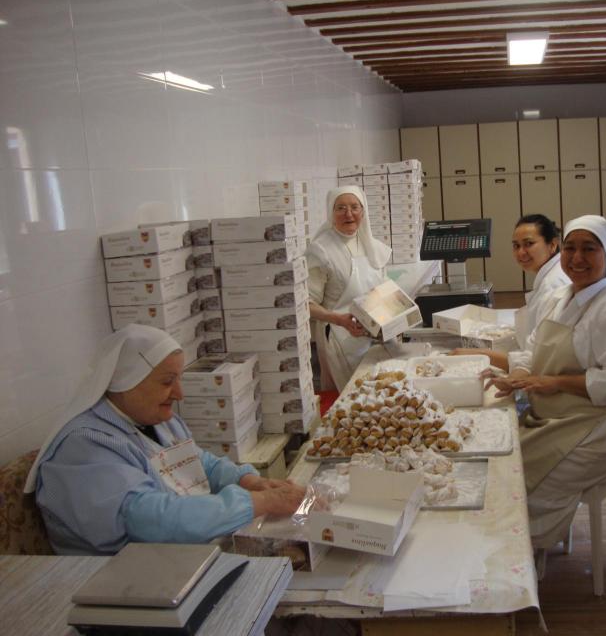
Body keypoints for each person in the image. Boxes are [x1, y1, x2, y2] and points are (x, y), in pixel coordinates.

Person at [24, 325, 306, 555]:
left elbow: (197, 463)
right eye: (166, 381)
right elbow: (149, 519)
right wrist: (259, 502)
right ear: (126, 381)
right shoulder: (84, 446)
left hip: (183, 556)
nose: (179, 393)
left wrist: (247, 480)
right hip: (125, 582)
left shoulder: (157, 420)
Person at [486, 215, 606, 549]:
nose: (577, 258)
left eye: (589, 249)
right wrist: (514, 378)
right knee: (504, 466)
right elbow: (534, 349)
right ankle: (511, 549)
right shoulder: (564, 299)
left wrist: (557, 383)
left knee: (521, 486)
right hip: (558, 416)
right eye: (571, 249)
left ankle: (515, 557)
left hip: (596, 429)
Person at [449, 214, 570, 370]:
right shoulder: (550, 275)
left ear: (552, 245)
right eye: (516, 246)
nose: (521, 252)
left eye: (529, 244)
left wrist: (479, 354)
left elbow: (538, 361)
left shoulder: (554, 285)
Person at [306, 186, 391, 391]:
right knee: (349, 402)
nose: (349, 214)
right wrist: (339, 320)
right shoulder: (321, 250)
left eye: (355, 207)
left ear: (363, 211)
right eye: (341, 208)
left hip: (375, 338)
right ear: (331, 213)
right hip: (339, 339)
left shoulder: (373, 246)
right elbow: (305, 305)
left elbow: (386, 293)